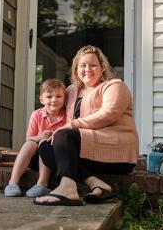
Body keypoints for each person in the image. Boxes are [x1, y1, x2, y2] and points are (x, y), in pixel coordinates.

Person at [34, 45, 138, 206]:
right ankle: (96, 183)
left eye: (93, 65)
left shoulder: (115, 86)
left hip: (115, 151)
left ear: (102, 67)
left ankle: (67, 188)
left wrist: (71, 125)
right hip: (87, 151)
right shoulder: (72, 91)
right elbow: (53, 106)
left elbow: (108, 114)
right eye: (82, 65)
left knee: (64, 135)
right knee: (46, 147)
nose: (87, 69)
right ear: (76, 69)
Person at [3, 78, 67, 197]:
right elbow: (29, 138)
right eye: (49, 96)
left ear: (64, 99)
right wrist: (40, 136)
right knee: (30, 143)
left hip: (53, 160)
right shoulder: (37, 114)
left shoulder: (67, 117)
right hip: (33, 159)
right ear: (41, 99)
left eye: (58, 96)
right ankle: (12, 182)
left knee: (44, 143)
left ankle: (42, 184)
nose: (54, 100)